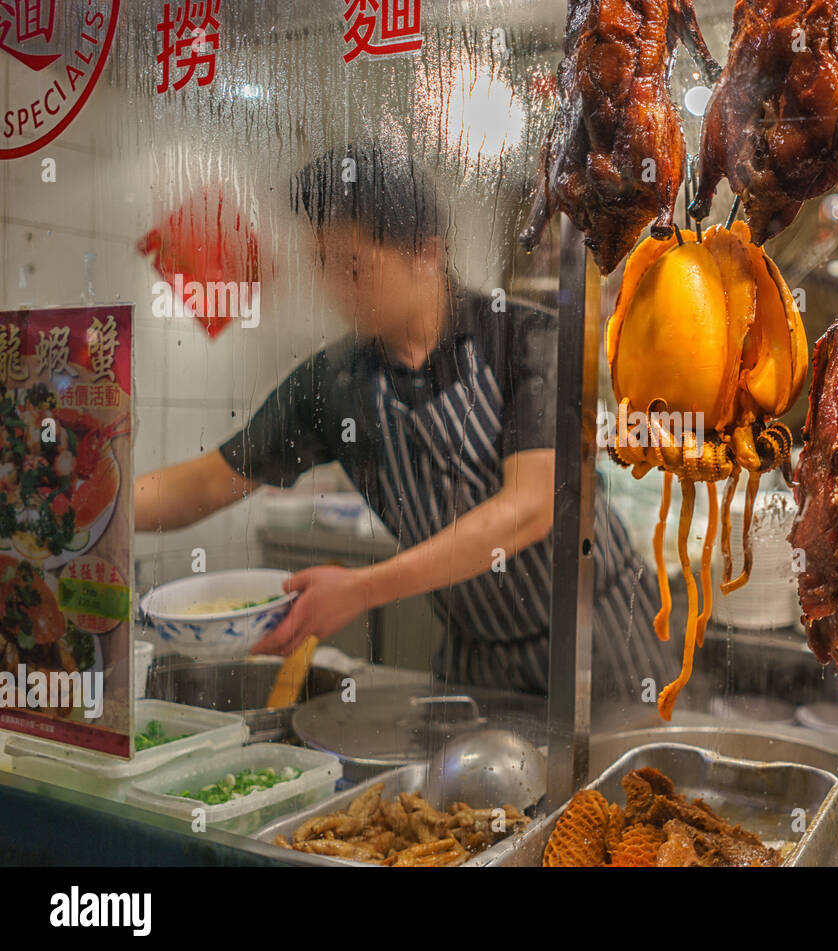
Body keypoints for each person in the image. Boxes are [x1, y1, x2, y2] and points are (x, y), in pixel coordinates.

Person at [135, 145, 669, 701]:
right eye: (323, 265)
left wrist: (361, 590)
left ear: (426, 254)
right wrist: (88, 506)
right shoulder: (332, 384)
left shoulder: (525, 339)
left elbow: (530, 508)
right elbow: (206, 481)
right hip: (476, 660)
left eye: (355, 267)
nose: (336, 289)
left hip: (598, 639)